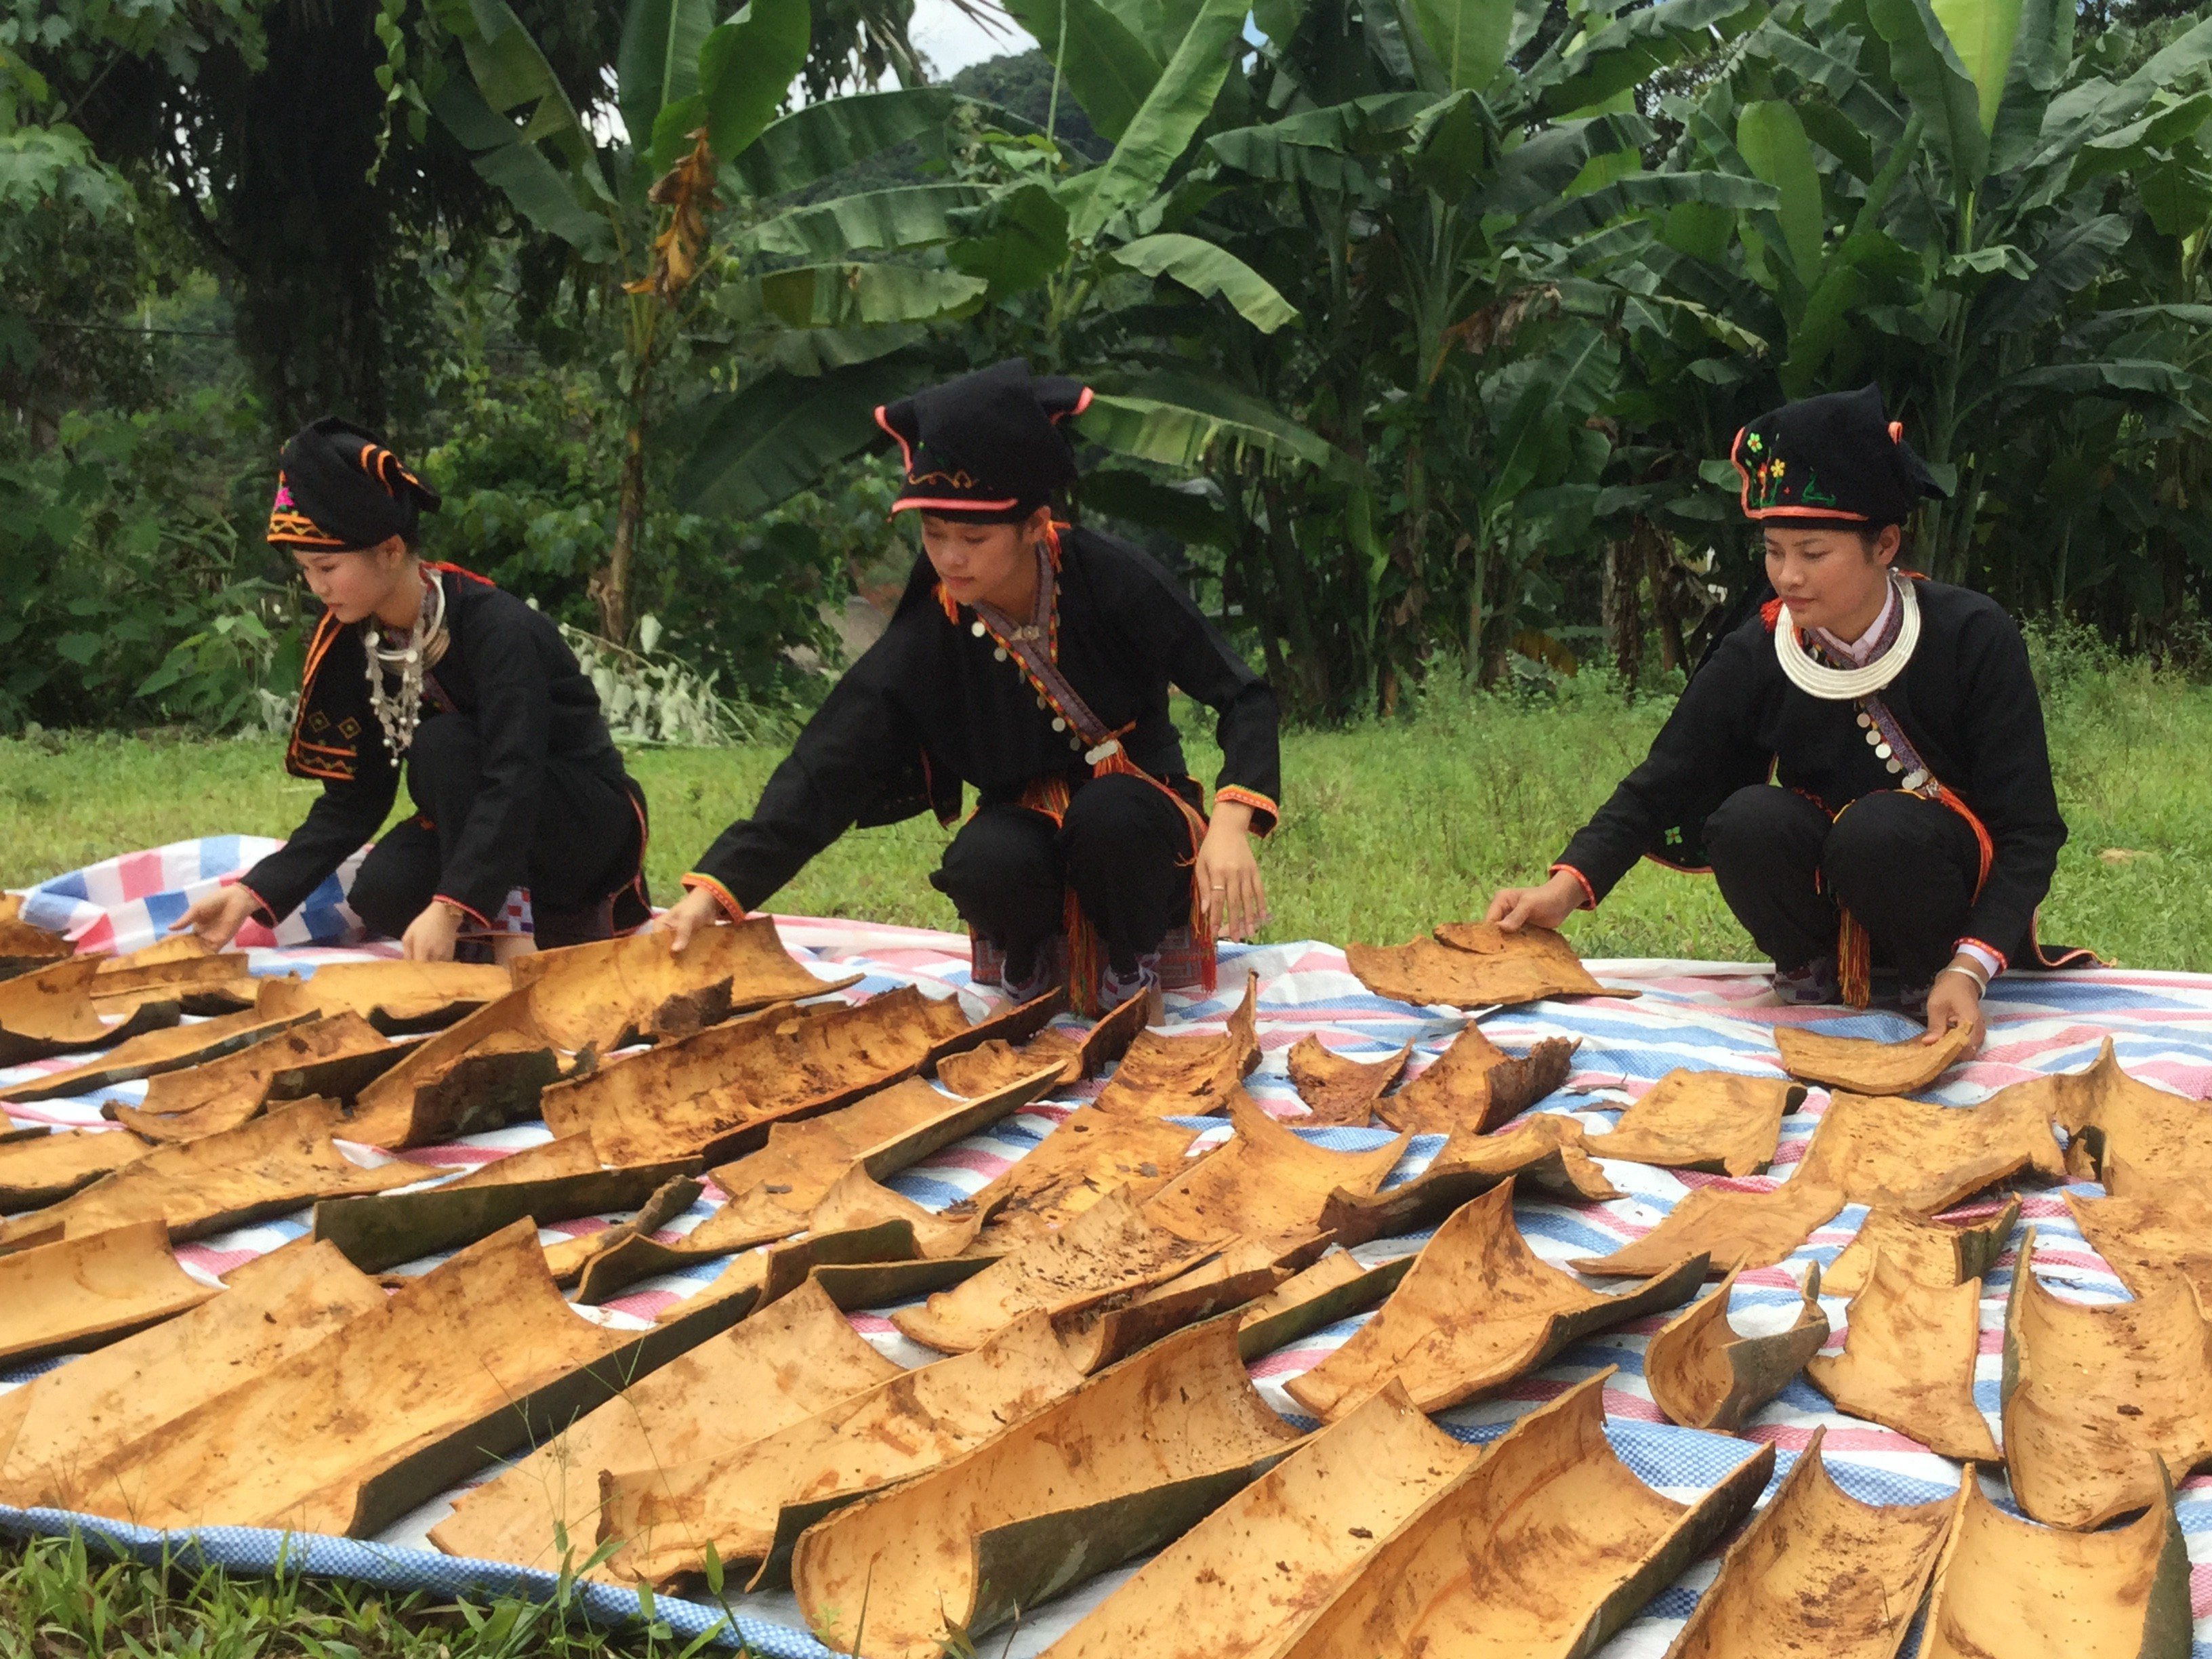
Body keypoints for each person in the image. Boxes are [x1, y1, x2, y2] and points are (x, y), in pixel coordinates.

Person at [656, 359, 1282, 1012]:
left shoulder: (1113, 577)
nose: (950, 558)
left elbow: (1244, 695)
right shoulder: (930, 631)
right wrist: (714, 891)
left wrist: (1231, 824)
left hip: (1136, 818)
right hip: (1024, 828)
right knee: (984, 859)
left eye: (973, 538)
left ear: (1036, 526)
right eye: (934, 534)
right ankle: (1029, 958)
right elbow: (825, 769)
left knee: (1111, 817)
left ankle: (1130, 970)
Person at [1486, 384, 2091, 1054]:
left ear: (1884, 543)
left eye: (1813, 553)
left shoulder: (1974, 634)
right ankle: (1811, 974)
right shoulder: (1758, 648)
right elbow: (1664, 781)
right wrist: (1563, 890)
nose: (1788, 576)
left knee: (1879, 828)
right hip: (1829, 887)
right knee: (1747, 818)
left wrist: (1969, 967)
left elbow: (2031, 831)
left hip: (1937, 899)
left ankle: (1930, 984)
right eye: (1775, 552)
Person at [177, 416, 651, 961]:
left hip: (579, 823)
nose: (317, 586)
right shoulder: (357, 640)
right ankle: (539, 929)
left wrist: (453, 904)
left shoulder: (498, 627)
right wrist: (249, 895)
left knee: (444, 743)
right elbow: (357, 799)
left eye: (328, 566)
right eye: (307, 570)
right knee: (382, 889)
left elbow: (513, 775)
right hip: (478, 825)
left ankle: (515, 938)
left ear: (390, 550)